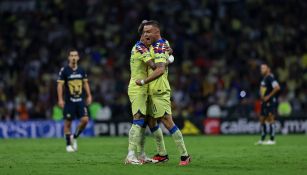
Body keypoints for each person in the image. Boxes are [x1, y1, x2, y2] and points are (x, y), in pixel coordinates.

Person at [136, 20, 191, 166]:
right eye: (144, 32)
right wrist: (170, 54)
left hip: (159, 89)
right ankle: (162, 154)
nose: (145, 34)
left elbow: (159, 70)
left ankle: (185, 156)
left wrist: (143, 82)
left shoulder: (159, 47)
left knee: (167, 121)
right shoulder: (160, 43)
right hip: (153, 90)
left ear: (156, 33)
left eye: (148, 32)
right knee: (151, 120)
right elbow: (169, 50)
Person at [57, 49, 92, 152]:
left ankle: (74, 137)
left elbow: (85, 83)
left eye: (75, 55)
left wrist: (89, 95)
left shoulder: (81, 70)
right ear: (68, 57)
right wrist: (60, 99)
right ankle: (68, 145)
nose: (73, 57)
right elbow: (60, 85)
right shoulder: (64, 70)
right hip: (69, 101)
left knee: (85, 120)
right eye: (71, 55)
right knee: (68, 123)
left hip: (80, 100)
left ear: (78, 57)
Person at [256, 63, 280, 145]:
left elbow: (277, 87)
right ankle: (262, 138)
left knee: (270, 118)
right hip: (264, 102)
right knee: (262, 119)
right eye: (261, 68)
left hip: (270, 101)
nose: (262, 70)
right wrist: (262, 96)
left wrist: (268, 96)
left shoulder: (270, 77)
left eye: (264, 68)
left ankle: (272, 139)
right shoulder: (264, 79)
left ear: (268, 69)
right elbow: (262, 89)